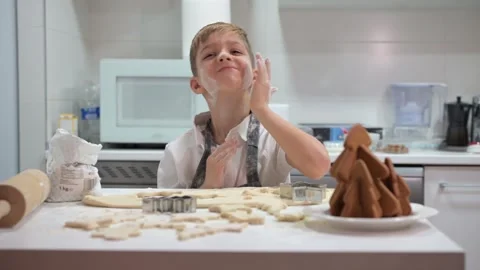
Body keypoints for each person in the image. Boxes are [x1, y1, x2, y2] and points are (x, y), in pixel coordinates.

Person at [157, 22, 330, 189]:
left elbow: (318, 168)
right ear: (196, 85)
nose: (224, 56)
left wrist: (261, 108)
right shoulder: (177, 152)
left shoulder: (273, 139)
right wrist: (209, 186)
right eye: (210, 55)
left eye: (235, 51)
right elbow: (169, 215)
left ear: (255, 76)